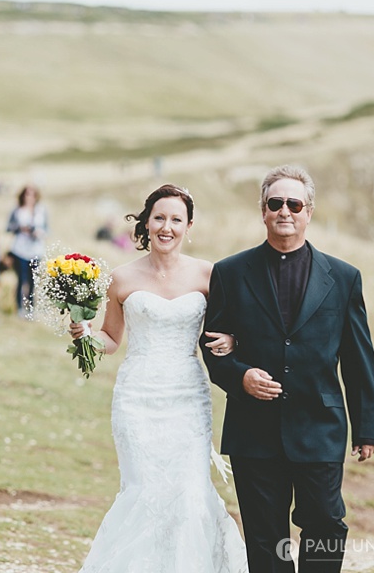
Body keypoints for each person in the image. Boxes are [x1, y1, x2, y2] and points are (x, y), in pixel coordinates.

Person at [202, 165, 374, 572]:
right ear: (263, 211)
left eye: (294, 204)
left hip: (320, 427)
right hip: (253, 431)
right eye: (276, 203)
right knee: (265, 538)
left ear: (309, 211)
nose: (285, 211)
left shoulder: (343, 277)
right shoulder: (230, 272)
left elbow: (358, 356)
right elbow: (212, 345)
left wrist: (367, 427)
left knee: (326, 525)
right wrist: (240, 376)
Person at [68, 184, 248, 572]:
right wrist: (86, 337)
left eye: (176, 220)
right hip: (137, 396)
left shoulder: (209, 274)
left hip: (187, 396)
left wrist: (233, 339)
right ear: (147, 222)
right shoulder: (121, 277)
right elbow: (112, 337)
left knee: (189, 495)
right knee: (144, 492)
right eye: (160, 218)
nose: (167, 227)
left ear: (189, 226)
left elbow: (230, 326)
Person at [6, 185, 47, 317]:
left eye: (32, 195)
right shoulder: (17, 211)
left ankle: (31, 308)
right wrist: (20, 228)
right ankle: (19, 308)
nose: (29, 197)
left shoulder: (41, 211)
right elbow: (8, 227)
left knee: (32, 281)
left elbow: (47, 229)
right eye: (27, 194)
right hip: (20, 249)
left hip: (35, 250)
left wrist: (39, 232)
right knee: (21, 280)